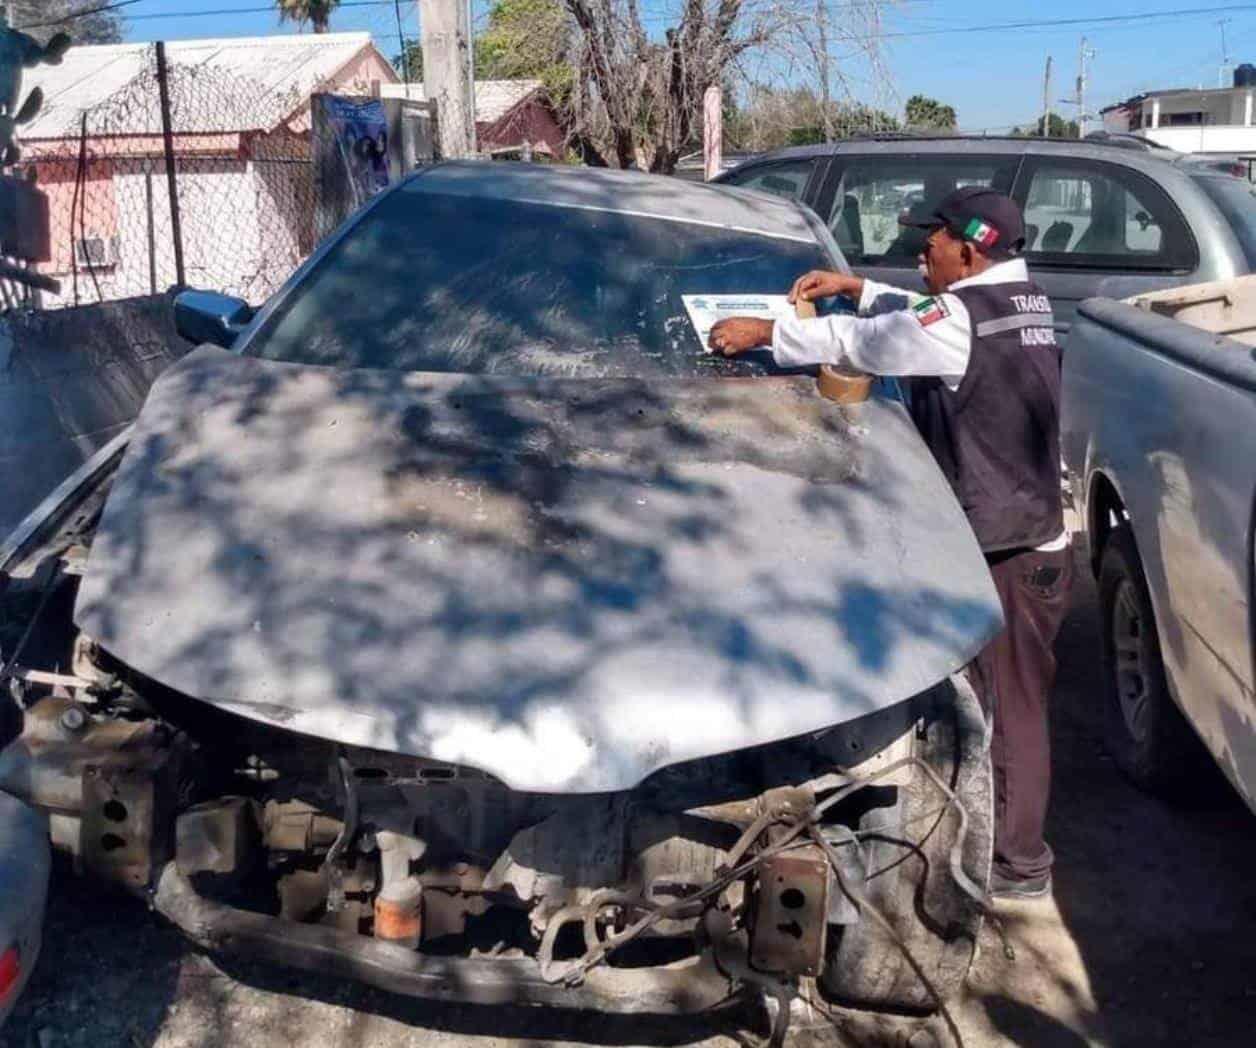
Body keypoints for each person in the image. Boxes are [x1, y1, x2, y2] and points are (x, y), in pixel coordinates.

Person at [708, 186, 1072, 901]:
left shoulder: (961, 318)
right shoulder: (1021, 299)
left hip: (1009, 552)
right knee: (1014, 703)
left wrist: (765, 334)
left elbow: (866, 344)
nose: (921, 252)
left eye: (932, 242)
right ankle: (1011, 853)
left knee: (1007, 713)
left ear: (970, 250)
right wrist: (860, 286)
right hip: (1030, 539)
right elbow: (929, 319)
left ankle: (1015, 868)